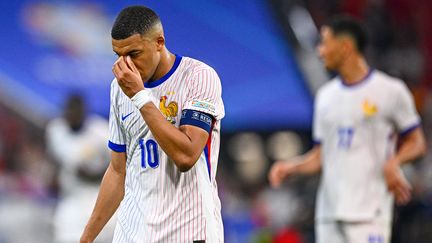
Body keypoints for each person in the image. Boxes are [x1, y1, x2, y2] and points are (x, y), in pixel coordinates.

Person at [268, 15, 426, 243]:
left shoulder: (390, 91)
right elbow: (321, 156)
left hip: (369, 214)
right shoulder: (325, 97)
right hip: (329, 215)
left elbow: (417, 143)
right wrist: (291, 167)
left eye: (324, 42)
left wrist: (395, 162)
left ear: (345, 47)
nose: (320, 51)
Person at [80, 5, 225, 243]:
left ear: (159, 42)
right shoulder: (118, 89)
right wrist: (86, 238)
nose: (126, 66)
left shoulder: (199, 77)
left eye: (134, 54)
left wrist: (140, 97)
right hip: (133, 234)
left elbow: (186, 156)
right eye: (119, 56)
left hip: (189, 233)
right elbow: (118, 171)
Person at [46, 94, 115, 243]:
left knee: (102, 236)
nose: (73, 116)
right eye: (70, 112)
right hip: (70, 197)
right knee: (66, 235)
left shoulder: (101, 131)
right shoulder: (55, 130)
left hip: (97, 196)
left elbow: (119, 165)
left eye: (77, 112)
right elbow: (55, 159)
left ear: (85, 111)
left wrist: (94, 175)